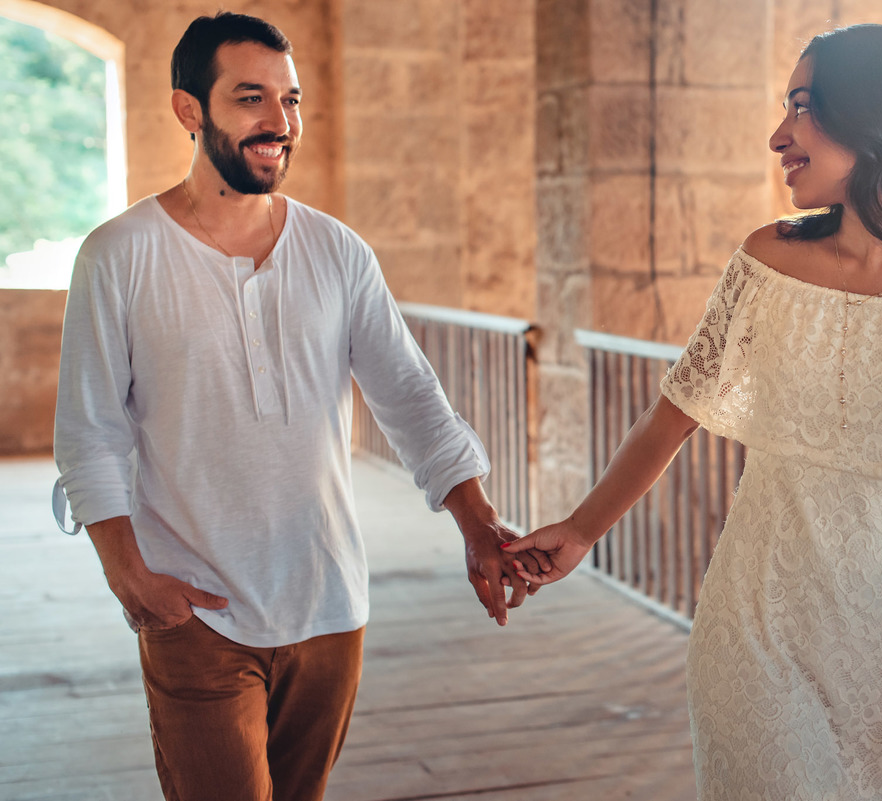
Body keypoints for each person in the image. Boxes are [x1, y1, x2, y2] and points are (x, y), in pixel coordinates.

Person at [505, 23, 882, 800]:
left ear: (877, 114)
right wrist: (581, 529)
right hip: (755, 629)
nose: (779, 134)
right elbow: (676, 410)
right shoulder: (767, 260)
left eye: (802, 106)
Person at [52, 12, 542, 801]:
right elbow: (89, 429)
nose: (280, 123)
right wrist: (127, 573)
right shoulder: (119, 255)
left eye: (291, 99)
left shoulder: (339, 251)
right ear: (190, 110)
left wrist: (478, 524)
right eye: (251, 98)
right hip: (196, 607)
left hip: (328, 602)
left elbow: (411, 394)